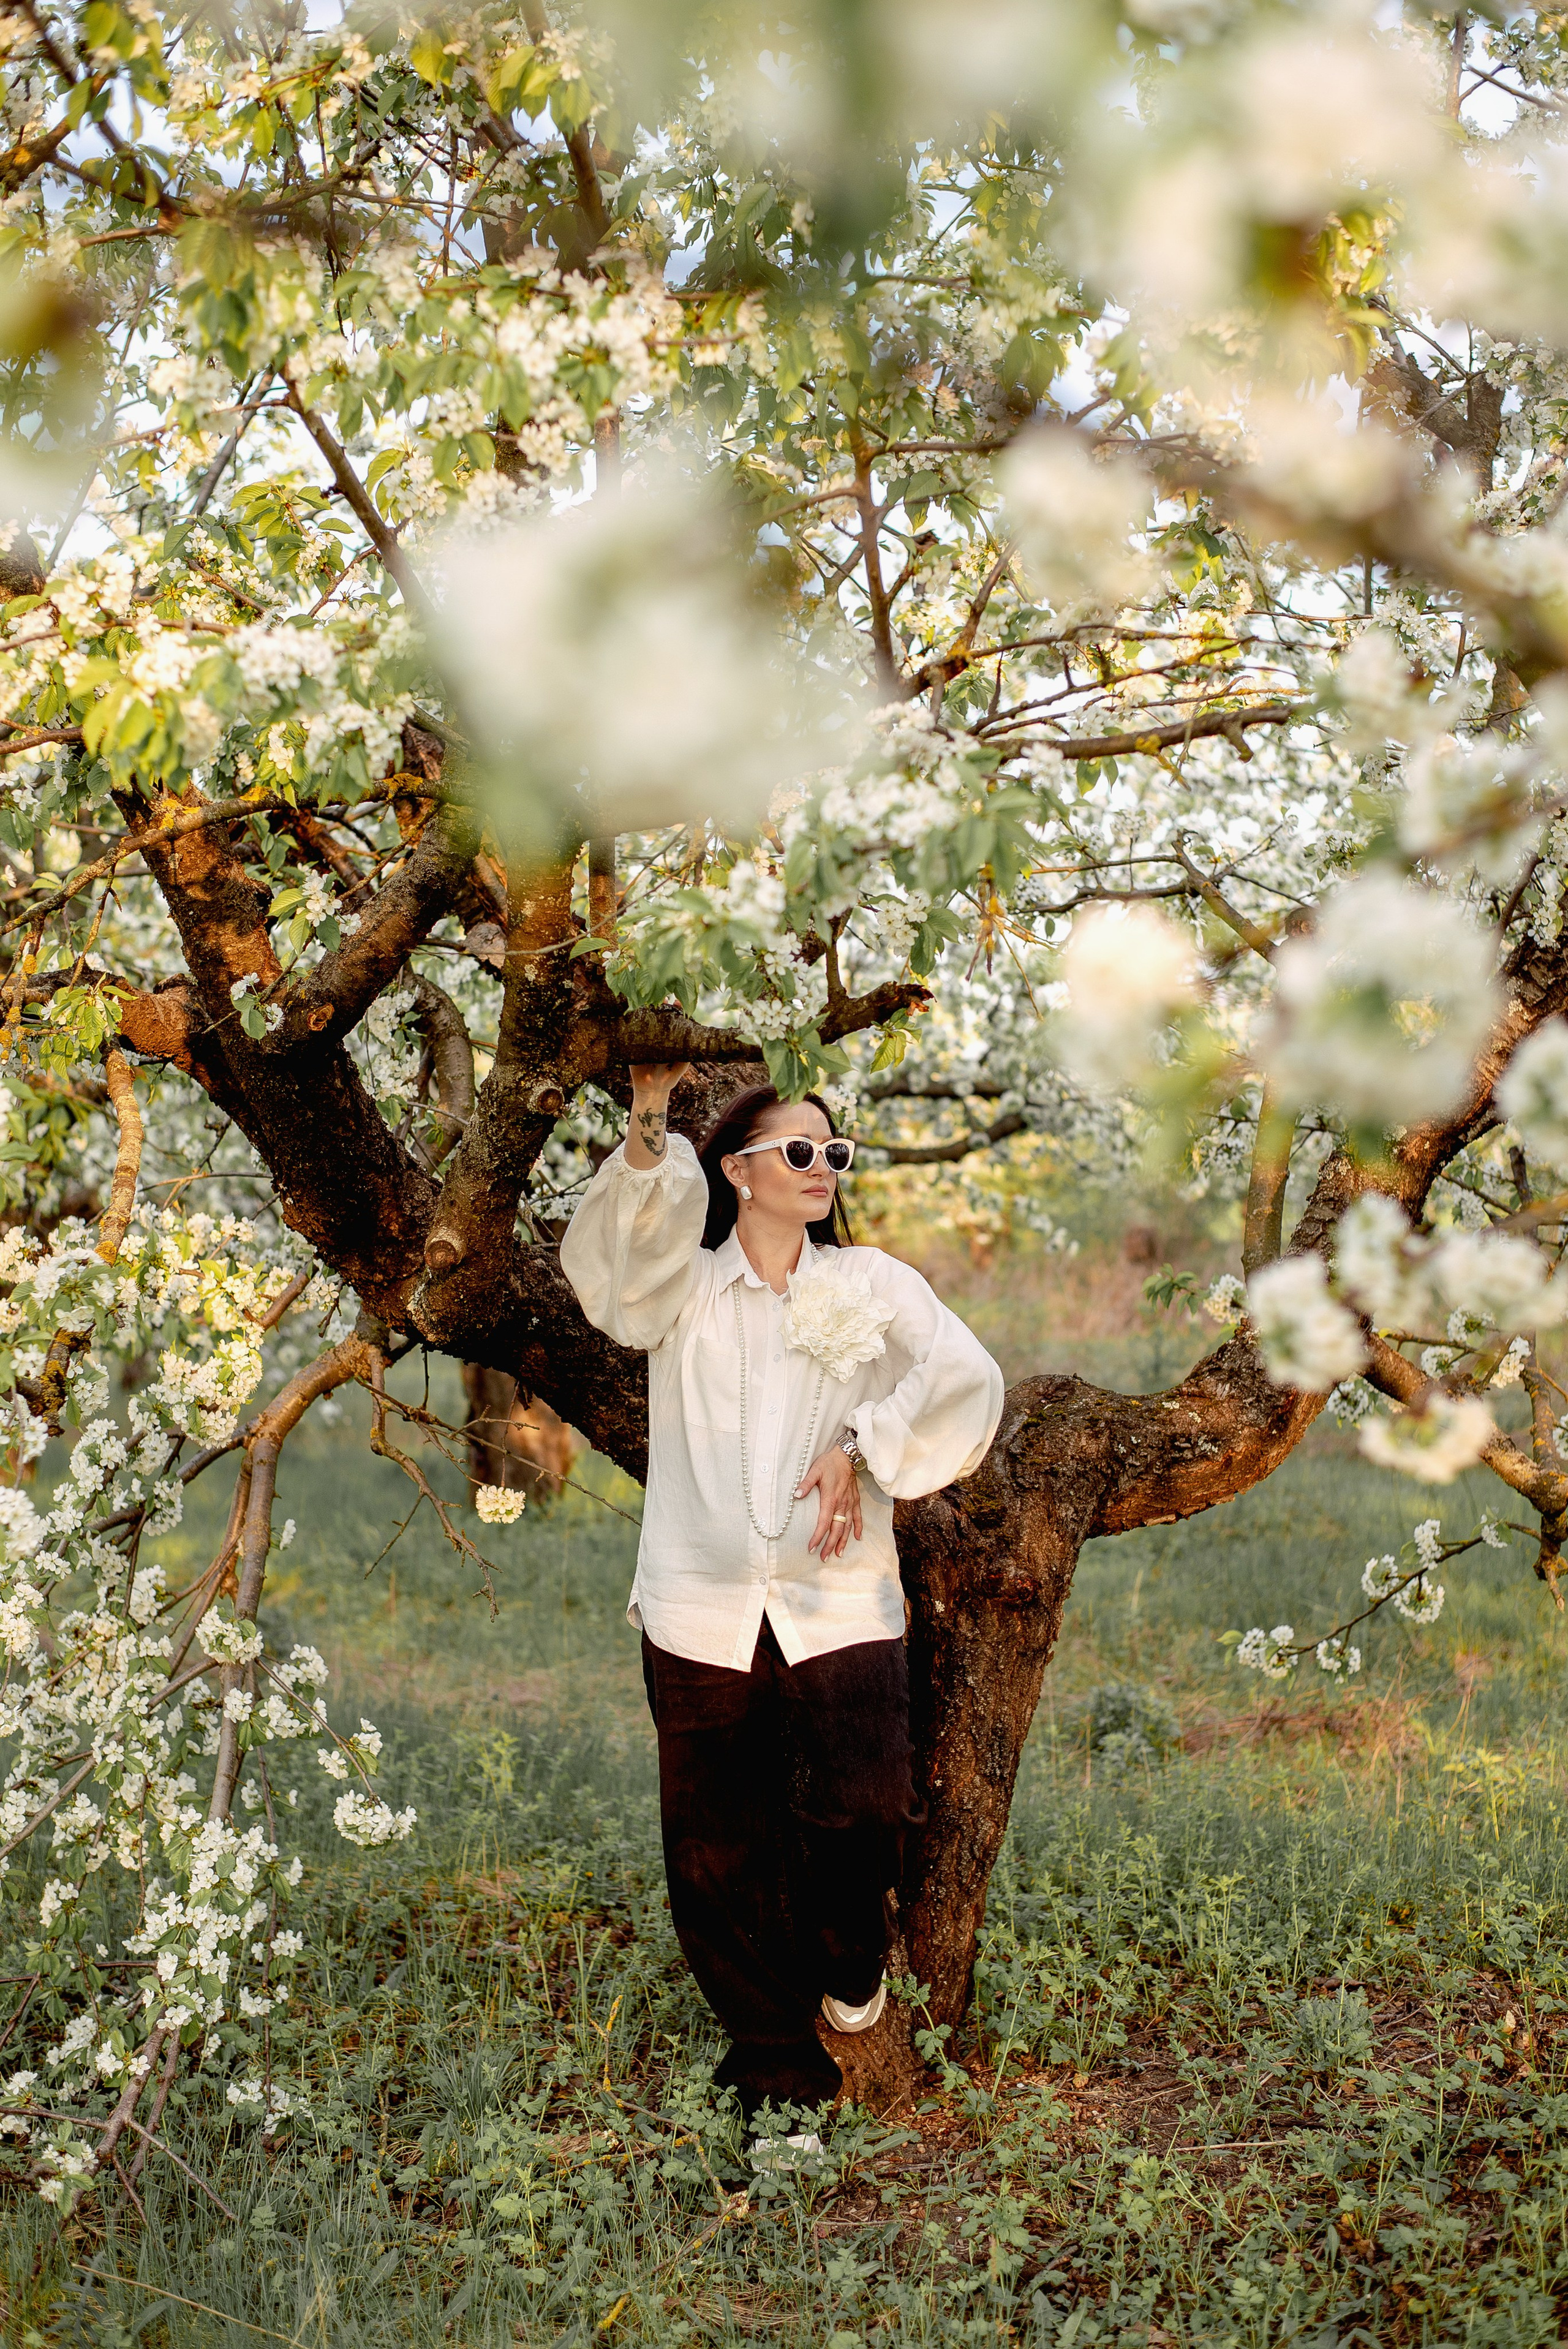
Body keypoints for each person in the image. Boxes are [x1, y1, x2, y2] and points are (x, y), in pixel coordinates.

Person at [559, 1063, 1005, 2121]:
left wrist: (864, 1442)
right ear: (738, 1171)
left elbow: (965, 1374)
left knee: (869, 1803)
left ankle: (851, 1961)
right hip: (698, 1600)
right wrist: (647, 1117)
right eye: (799, 1152)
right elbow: (619, 1258)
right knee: (713, 1848)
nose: (822, 1168)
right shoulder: (681, 1289)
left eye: (833, 1153)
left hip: (837, 1592)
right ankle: (775, 2075)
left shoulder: (869, 1283)